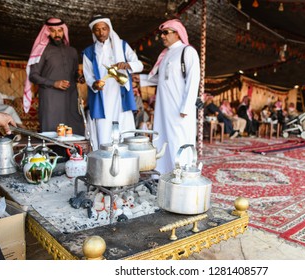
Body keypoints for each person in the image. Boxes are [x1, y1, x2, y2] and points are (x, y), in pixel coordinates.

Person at [139, 19, 200, 175]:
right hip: (163, 107)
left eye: (166, 33)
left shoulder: (187, 51)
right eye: (162, 33)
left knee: (178, 140)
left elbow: (193, 81)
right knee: (162, 139)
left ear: (177, 33)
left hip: (179, 108)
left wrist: (186, 107)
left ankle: (181, 176)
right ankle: (162, 174)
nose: (162, 37)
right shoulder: (166, 54)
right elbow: (160, 78)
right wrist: (140, 79)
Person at [83, 15, 143, 150]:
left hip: (120, 96)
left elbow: (139, 65)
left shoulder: (122, 45)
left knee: (124, 133)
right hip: (101, 98)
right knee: (104, 134)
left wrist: (127, 65)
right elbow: (88, 76)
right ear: (93, 32)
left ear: (109, 29)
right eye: (97, 30)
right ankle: (104, 165)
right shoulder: (89, 52)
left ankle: (125, 166)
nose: (101, 32)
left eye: (104, 28)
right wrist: (94, 84)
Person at [25, 17, 84, 135]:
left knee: (74, 131)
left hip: (71, 98)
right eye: (53, 31)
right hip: (50, 99)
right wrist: (54, 83)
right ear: (47, 32)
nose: (57, 34)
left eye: (60, 30)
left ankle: (74, 154)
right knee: (52, 132)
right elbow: (33, 76)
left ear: (64, 32)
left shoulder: (72, 51)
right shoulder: (41, 51)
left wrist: (79, 78)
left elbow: (74, 72)